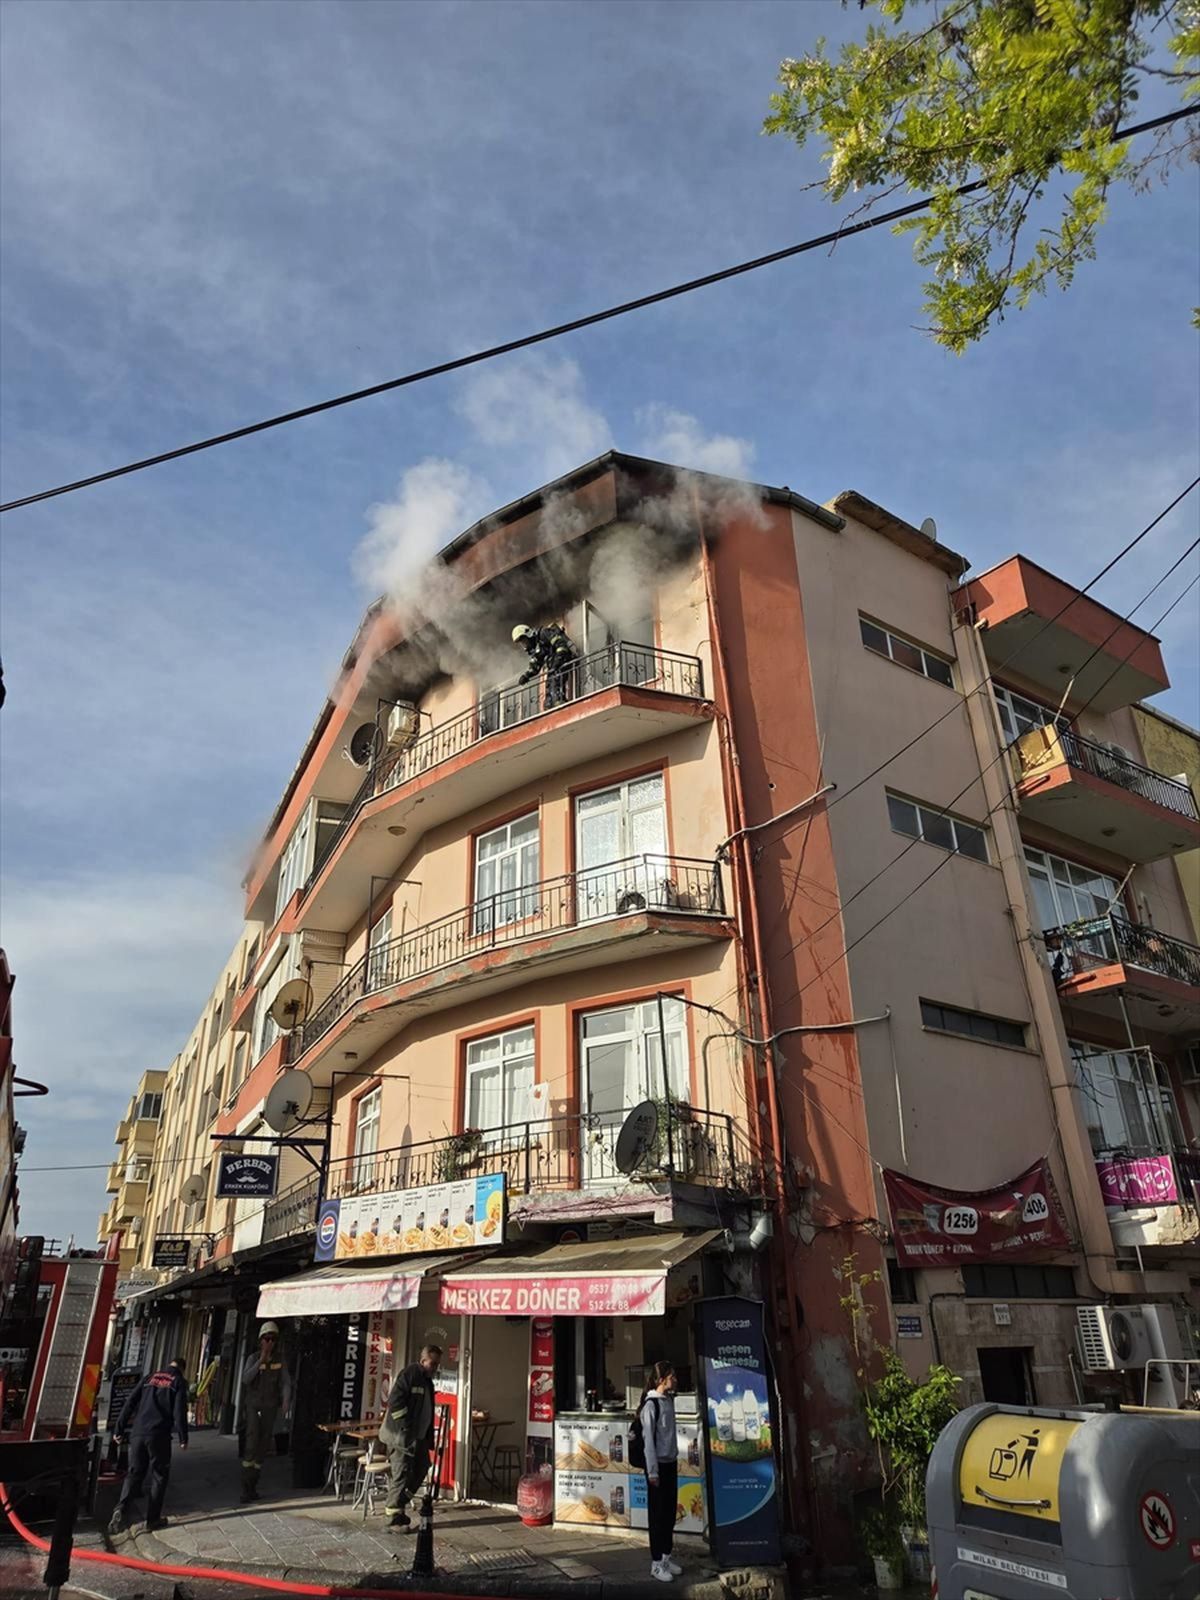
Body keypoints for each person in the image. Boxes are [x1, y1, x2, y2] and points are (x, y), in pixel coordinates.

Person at [108, 1356, 188, 1535]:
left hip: (138, 1433)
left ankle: (120, 1508)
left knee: (134, 1473)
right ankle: (152, 1520)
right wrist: (183, 1437)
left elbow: (130, 1401)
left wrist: (119, 1428)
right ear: (182, 1369)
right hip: (159, 1435)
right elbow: (179, 1411)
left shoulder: (149, 1377)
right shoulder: (178, 1381)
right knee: (159, 1475)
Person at [379, 1344, 441, 1529]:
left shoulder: (427, 1381)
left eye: (437, 1364)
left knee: (422, 1467)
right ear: (423, 1361)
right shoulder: (411, 1374)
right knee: (401, 1474)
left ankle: (400, 1504)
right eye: (433, 1363)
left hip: (417, 1438)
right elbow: (395, 1402)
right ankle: (393, 1519)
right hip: (401, 1438)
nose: (435, 1368)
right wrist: (406, 1426)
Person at [239, 1321, 292, 1503]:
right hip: (254, 1406)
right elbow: (245, 1379)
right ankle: (246, 1487)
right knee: (251, 1444)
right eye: (267, 1339)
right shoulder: (253, 1358)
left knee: (262, 1446)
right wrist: (260, 1361)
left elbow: (285, 1382)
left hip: (269, 1407)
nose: (270, 1343)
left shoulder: (279, 1360)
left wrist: (286, 1400)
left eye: (273, 1339)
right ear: (260, 1340)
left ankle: (253, 1485)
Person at [639, 1360, 681, 1583]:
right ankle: (656, 1563)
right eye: (672, 1376)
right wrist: (652, 1471)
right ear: (662, 1379)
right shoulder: (651, 1406)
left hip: (670, 1463)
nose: (675, 1380)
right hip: (658, 1467)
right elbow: (648, 1442)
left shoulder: (669, 1401)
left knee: (669, 1514)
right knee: (657, 1516)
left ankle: (666, 1557)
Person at [512, 622, 577, 708]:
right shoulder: (537, 646)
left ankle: (559, 701)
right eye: (522, 643)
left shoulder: (544, 633)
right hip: (554, 666)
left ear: (528, 635)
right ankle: (550, 704)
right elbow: (536, 663)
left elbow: (560, 644)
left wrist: (557, 660)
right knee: (549, 685)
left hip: (564, 659)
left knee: (555, 679)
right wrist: (527, 675)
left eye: (524, 641)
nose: (524, 644)